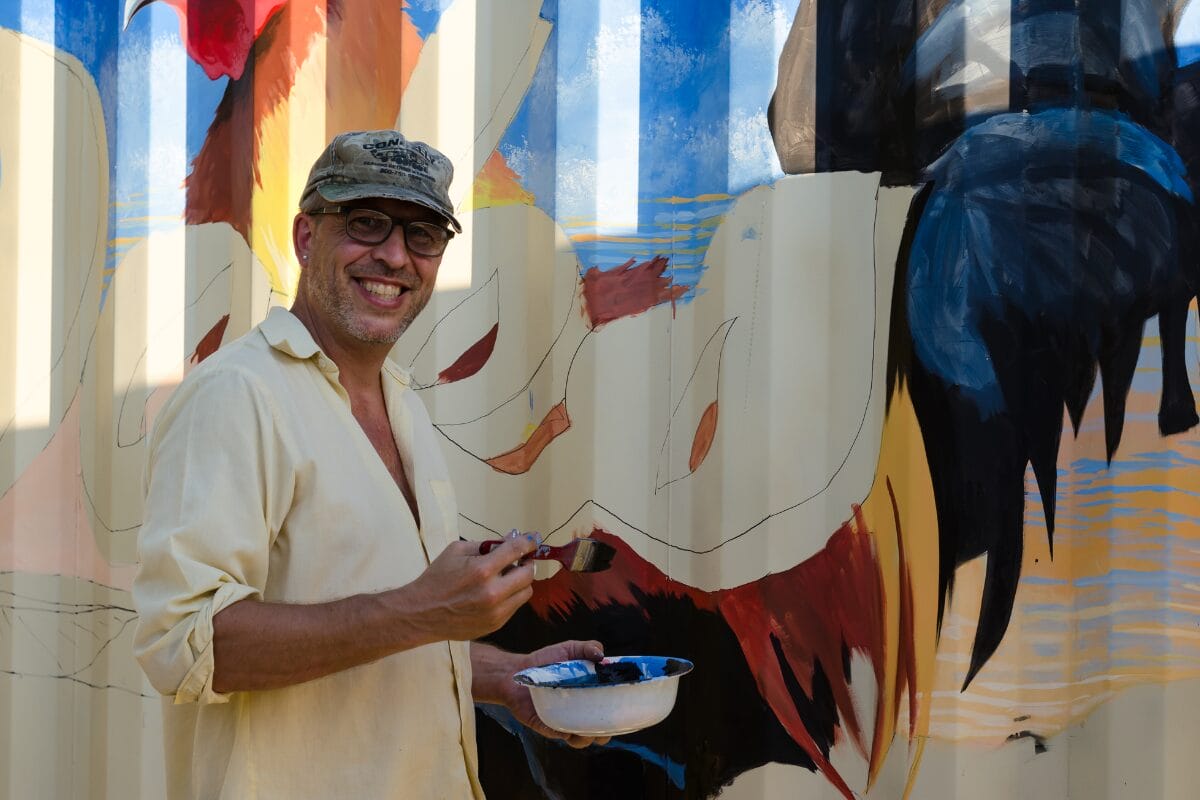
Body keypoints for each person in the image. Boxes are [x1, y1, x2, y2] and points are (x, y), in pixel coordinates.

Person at [132, 129, 608, 799]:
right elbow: (182, 645)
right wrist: (421, 609)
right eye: (366, 223)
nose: (394, 256)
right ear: (305, 237)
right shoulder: (236, 397)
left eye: (423, 235)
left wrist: (510, 678)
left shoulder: (403, 403)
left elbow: (379, 629)